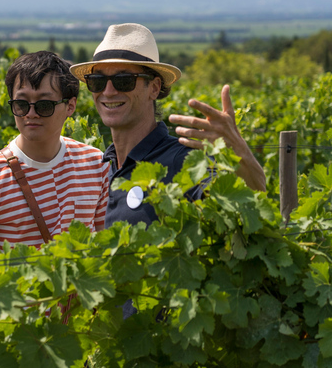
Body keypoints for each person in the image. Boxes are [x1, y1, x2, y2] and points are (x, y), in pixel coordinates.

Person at [69, 23, 265, 228]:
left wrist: (239, 154)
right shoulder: (103, 168)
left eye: (124, 80)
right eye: (97, 81)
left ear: (154, 88)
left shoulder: (183, 160)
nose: (108, 91)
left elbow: (250, 208)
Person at [0, 51, 109, 255]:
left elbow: (105, 248)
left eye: (44, 105)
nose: (30, 114)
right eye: (21, 104)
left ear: (70, 106)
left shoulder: (97, 164)